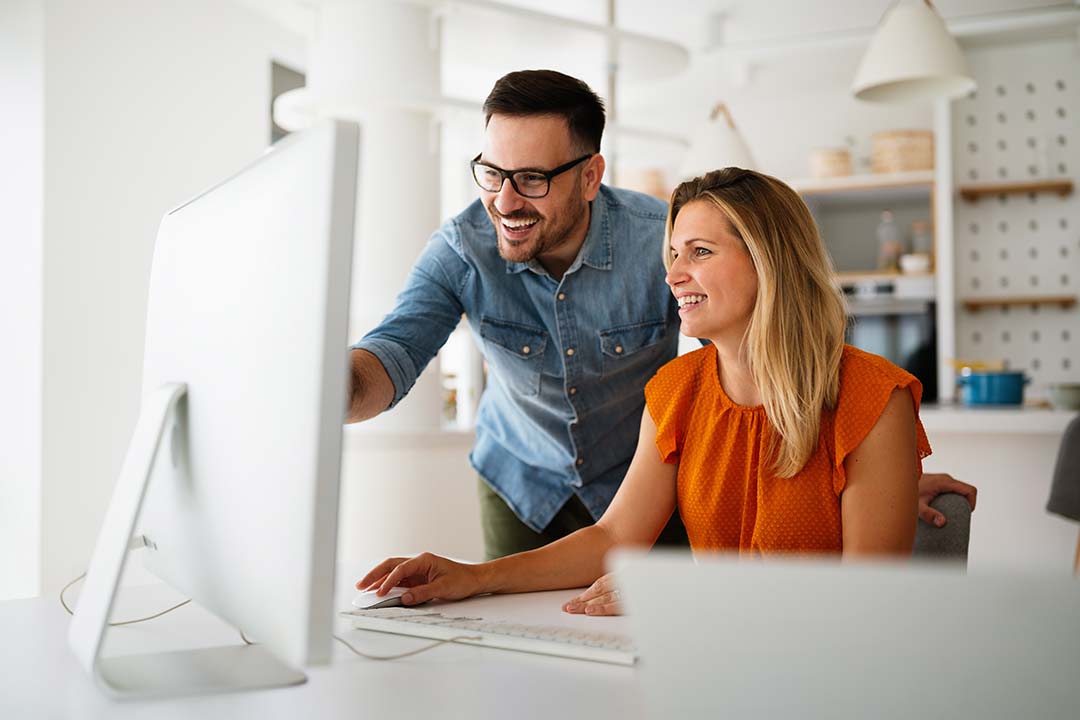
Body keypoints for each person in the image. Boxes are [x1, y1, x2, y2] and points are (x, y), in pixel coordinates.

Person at [346, 69, 975, 562]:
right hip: (522, 479)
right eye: (491, 172)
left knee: (662, 630)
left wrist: (858, 483)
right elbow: (391, 357)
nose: (504, 200)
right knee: (523, 645)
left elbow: (743, 356)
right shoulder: (461, 248)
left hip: (654, 478)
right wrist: (323, 388)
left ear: (590, 176)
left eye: (533, 178)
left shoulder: (660, 237)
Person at [356, 168, 941, 616]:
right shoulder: (677, 390)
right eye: (674, 253)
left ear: (772, 261)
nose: (674, 274)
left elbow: (870, 603)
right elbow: (615, 538)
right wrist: (469, 577)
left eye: (702, 252)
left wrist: (677, 593)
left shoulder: (872, 398)